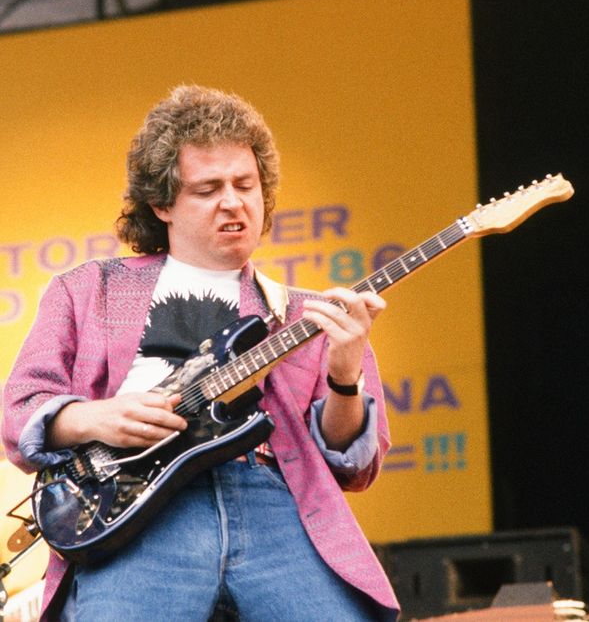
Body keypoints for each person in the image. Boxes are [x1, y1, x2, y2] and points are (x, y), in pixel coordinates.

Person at [2, 85, 399, 621]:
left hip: (270, 499)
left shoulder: (309, 314)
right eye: (209, 189)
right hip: (136, 510)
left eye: (245, 185)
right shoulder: (87, 289)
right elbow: (19, 410)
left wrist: (345, 376)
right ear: (162, 203)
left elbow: (353, 466)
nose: (234, 202)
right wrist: (94, 417)